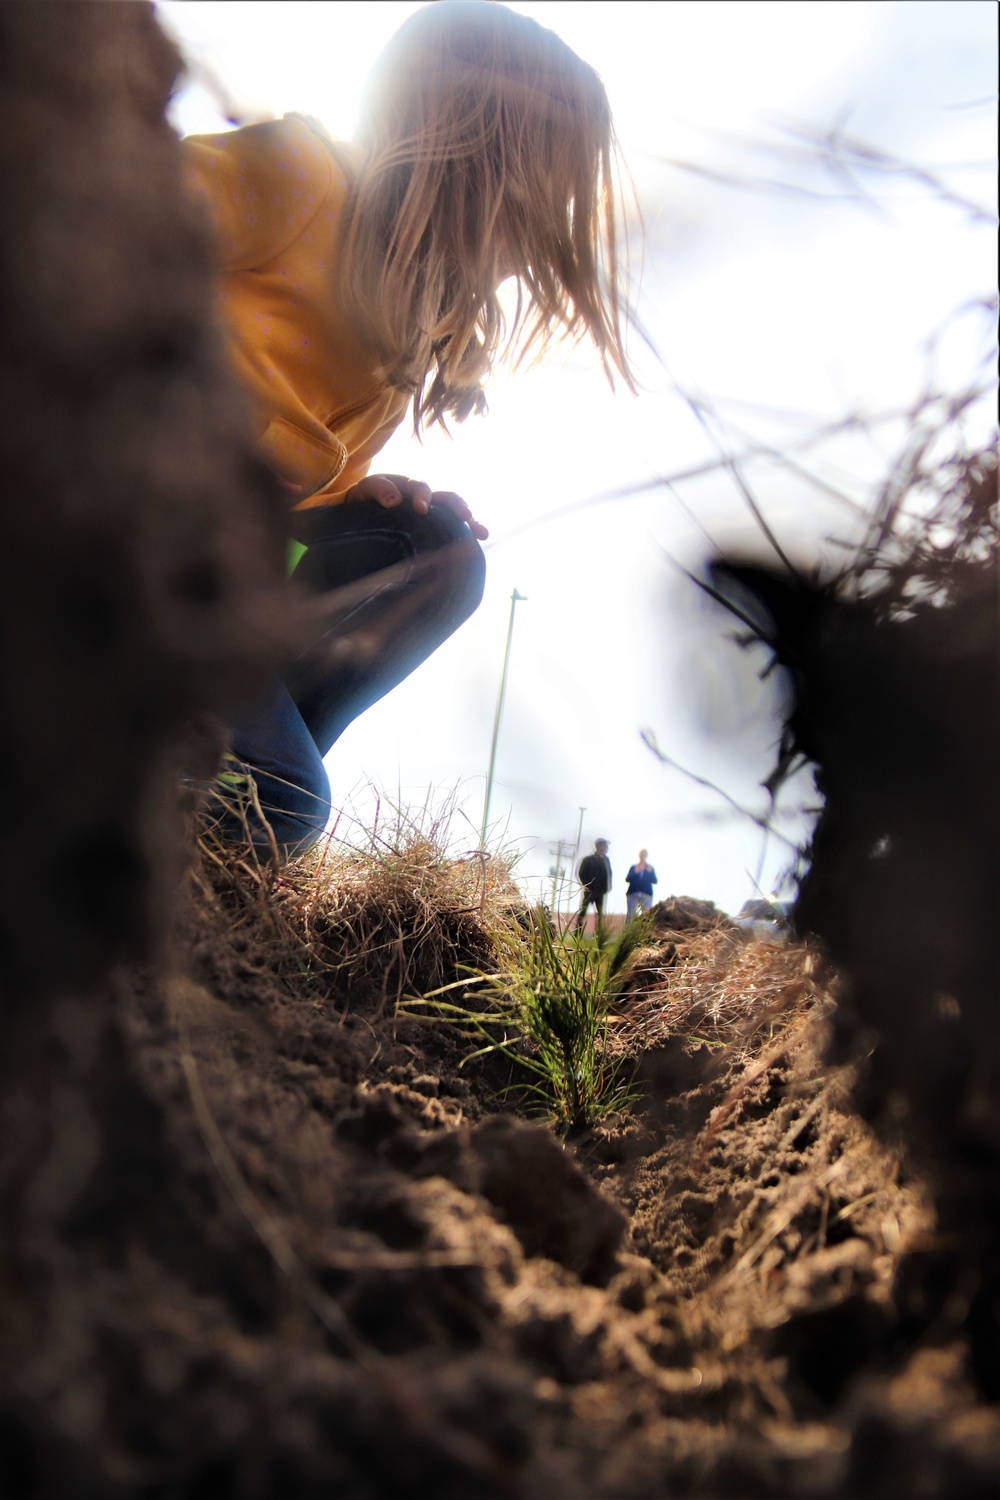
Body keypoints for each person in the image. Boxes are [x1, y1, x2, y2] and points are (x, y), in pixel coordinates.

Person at [182, 1, 634, 857]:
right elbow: (97, 228)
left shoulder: (401, 340)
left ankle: (215, 746)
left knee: (440, 552)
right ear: (480, 153)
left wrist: (356, 498)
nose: (551, 228)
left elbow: (282, 499)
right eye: (551, 188)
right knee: (285, 805)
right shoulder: (300, 178)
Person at [575, 839, 613, 934]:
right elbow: (581, 873)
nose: (605, 848)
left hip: (600, 892)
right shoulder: (588, 859)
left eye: (606, 847)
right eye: (604, 846)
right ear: (599, 847)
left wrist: (607, 887)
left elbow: (609, 874)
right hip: (589, 891)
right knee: (583, 911)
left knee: (600, 914)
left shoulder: (606, 860)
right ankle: (577, 933)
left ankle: (599, 935)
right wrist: (587, 885)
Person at [625, 848, 658, 922]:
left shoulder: (650, 868)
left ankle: (644, 933)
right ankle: (628, 932)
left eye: (644, 854)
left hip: (646, 895)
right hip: (633, 894)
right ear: (639, 855)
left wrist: (650, 873)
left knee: (646, 916)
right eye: (641, 854)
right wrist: (635, 872)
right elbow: (627, 879)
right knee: (631, 915)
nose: (642, 856)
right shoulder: (634, 867)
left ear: (646, 856)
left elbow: (655, 881)